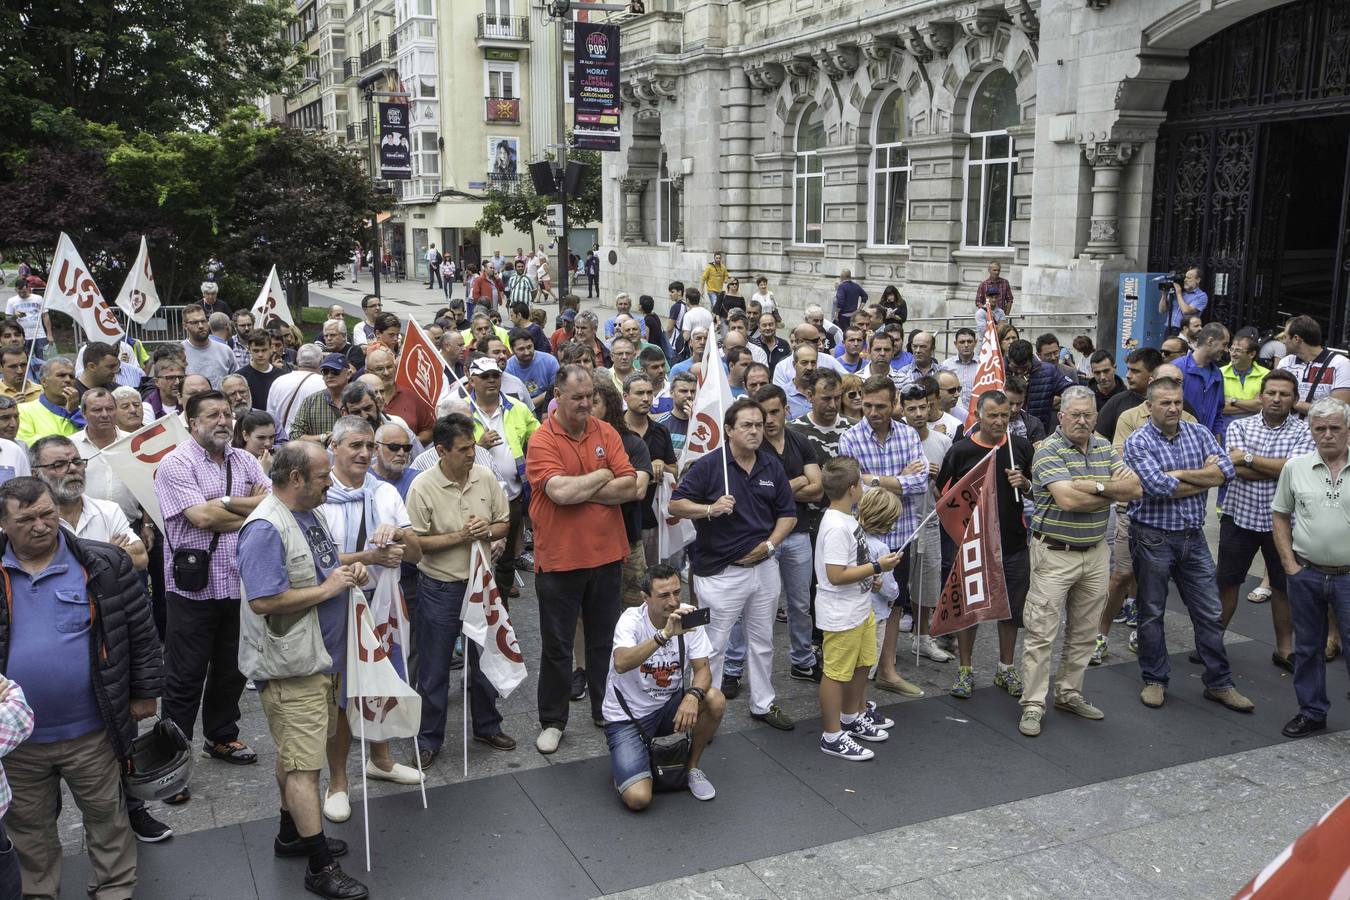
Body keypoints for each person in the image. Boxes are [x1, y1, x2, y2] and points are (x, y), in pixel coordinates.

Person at [0, 476, 162, 898]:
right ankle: (39, 893)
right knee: (29, 830)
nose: (41, 525)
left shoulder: (104, 563)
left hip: (93, 731)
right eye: (26, 519)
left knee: (108, 819)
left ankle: (115, 890)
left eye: (47, 513)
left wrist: (144, 693)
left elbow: (140, 631)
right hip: (16, 743)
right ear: (3, 524)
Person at [235, 441, 371, 900]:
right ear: (295, 478)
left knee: (296, 754)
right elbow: (263, 600)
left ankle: (291, 835)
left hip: (319, 658)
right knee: (304, 768)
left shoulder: (307, 513)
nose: (329, 482)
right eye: (322, 475)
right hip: (293, 667)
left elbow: (325, 568)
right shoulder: (265, 528)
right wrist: (328, 587)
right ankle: (319, 867)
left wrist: (352, 570)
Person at [156, 390, 270, 797]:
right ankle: (171, 760)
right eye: (212, 414)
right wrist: (243, 510)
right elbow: (199, 517)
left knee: (233, 667)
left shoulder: (244, 460)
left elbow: (274, 505)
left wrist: (222, 503)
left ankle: (221, 734)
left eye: (227, 413)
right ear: (192, 423)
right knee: (184, 677)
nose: (223, 420)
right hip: (193, 588)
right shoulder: (175, 464)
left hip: (240, 583)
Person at [1123, 377, 1253, 712]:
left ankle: (1219, 683)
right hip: (1152, 537)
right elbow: (1157, 487)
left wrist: (1180, 474)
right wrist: (1200, 475)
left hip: (1193, 538)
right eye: (1165, 403)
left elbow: (1225, 471)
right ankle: (1155, 679)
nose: (1173, 408)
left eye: (1178, 402)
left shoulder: (1199, 432)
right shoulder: (1137, 442)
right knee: (1152, 613)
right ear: (1149, 406)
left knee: (1210, 612)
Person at [1017, 387, 1141, 737]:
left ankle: (1069, 692)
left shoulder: (1104, 447)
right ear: (1061, 416)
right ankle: (1033, 704)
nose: (1083, 420)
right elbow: (1068, 500)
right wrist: (1107, 490)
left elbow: (1134, 489)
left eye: (1088, 415)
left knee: (1085, 631)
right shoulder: (1046, 452)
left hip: (1095, 553)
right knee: (1042, 633)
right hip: (1054, 553)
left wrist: (1093, 487)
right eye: (1076, 415)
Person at [527, 365, 637, 754]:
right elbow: (558, 492)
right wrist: (602, 475)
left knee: (603, 640)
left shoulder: (606, 431)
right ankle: (553, 721)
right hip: (558, 561)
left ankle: (603, 708)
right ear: (557, 394)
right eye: (577, 397)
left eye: (589, 396)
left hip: (607, 556)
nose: (585, 404)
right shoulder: (542, 440)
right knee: (557, 645)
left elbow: (630, 487)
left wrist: (583, 487)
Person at [669, 398, 797, 730]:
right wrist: (709, 509)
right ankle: (706, 710)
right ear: (728, 430)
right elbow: (677, 504)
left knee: (763, 640)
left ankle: (764, 703)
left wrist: (769, 545)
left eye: (759, 424)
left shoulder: (771, 466)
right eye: (747, 425)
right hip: (720, 572)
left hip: (764, 568)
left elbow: (788, 515)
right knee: (714, 645)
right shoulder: (710, 466)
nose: (755, 431)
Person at [407, 412, 514, 765]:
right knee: (435, 668)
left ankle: (487, 725)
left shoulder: (485, 477)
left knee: (484, 661)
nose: (472, 453)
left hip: (481, 584)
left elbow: (504, 526)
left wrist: (486, 530)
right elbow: (417, 545)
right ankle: (428, 738)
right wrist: (460, 536)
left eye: (472, 446)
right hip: (440, 588)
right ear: (441, 450)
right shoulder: (422, 485)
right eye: (464, 448)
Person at [936, 390, 1034, 700]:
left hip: (1014, 544)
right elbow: (943, 494)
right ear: (978, 415)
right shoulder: (961, 450)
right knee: (970, 610)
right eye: (993, 415)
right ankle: (965, 670)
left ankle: (1006, 667)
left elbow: (1038, 490)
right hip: (973, 546)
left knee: (1012, 612)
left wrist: (1026, 484)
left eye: (1005, 416)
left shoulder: (1020, 447)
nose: (999, 422)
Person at [601, 564, 724, 808]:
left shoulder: (688, 616)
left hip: (668, 707)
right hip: (628, 717)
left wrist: (692, 696)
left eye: (677, 592)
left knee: (714, 699)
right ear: (645, 598)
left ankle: (691, 768)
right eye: (664, 595)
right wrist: (665, 635)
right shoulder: (631, 620)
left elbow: (703, 670)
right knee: (639, 799)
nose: (673, 602)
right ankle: (629, 769)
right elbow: (622, 663)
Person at [838, 375, 929, 696]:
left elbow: (920, 483)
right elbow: (851, 487)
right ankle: (854, 674)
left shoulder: (908, 435)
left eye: (880, 405)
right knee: (859, 602)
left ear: (895, 405)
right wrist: (894, 479)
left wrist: (872, 480)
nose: (873, 411)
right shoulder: (849, 438)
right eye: (867, 404)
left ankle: (887, 670)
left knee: (894, 603)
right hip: (862, 540)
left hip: (901, 536)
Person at [1217, 369, 1312, 672]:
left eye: (1284, 394)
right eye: (1271, 393)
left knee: (1284, 588)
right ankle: (1212, 640)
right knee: (1227, 583)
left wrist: (1246, 458)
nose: (1276, 399)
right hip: (1238, 516)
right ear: (1260, 396)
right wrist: (1274, 468)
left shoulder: (1304, 431)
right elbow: (1230, 468)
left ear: (1295, 400)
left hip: (1283, 523)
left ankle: (1284, 650)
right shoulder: (1239, 425)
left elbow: (1293, 471)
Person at [1272, 397, 1350, 738]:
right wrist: (1289, 564)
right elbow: (1280, 515)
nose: (1328, 435)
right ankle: (1312, 711)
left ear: (1348, 430)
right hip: (1307, 573)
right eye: (1321, 429)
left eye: (1335, 428)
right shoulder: (1296, 467)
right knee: (1307, 649)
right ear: (1311, 431)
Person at [813, 457, 900, 761]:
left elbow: (853, 565)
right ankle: (832, 735)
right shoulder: (836, 526)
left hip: (860, 607)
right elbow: (836, 576)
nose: (864, 487)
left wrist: (871, 576)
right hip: (841, 612)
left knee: (863, 663)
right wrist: (877, 566)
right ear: (852, 489)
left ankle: (852, 716)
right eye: (861, 482)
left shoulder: (848, 519)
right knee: (836, 673)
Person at [465, 356, 538, 594]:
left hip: (511, 495)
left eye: (496, 375)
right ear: (472, 379)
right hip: (473, 496)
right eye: (485, 376)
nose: (492, 380)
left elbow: (538, 438)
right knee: (473, 552)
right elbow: (447, 451)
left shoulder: (518, 408)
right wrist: (478, 445)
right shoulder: (462, 412)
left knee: (506, 555)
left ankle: (503, 601)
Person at [897, 381, 954, 661]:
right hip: (899, 521)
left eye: (923, 407)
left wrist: (936, 480)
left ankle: (923, 638)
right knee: (895, 585)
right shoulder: (897, 439)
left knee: (927, 583)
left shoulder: (942, 441)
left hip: (930, 520)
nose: (918, 413)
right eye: (912, 408)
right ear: (903, 410)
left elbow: (949, 490)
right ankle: (886, 649)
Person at [32, 434, 147, 570]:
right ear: (35, 474)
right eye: (59, 465)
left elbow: (140, 557)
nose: (73, 469)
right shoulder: (30, 521)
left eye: (77, 461)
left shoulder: (108, 511)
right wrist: (111, 551)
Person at [1276, 315, 1350, 417]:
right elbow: (1272, 397)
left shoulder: (1340, 364)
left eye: (1286, 337)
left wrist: (1295, 404)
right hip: (1285, 431)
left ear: (1296, 339)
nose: (1284, 341)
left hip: (1320, 431)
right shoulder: (1286, 362)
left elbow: (1339, 411)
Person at [1005, 339, 1074, 433]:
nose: (1020, 371)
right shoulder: (998, 372)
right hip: (1004, 433)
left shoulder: (1048, 371)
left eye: (1024, 367)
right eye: (1016, 368)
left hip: (1037, 433)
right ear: (1009, 360)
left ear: (1031, 359)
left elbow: (1073, 391)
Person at [1176, 322, 1230, 440]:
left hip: (1205, 446)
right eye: (1224, 344)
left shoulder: (1217, 374)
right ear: (1210, 341)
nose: (1226, 350)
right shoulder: (1178, 368)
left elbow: (1218, 412)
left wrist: (1217, 439)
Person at [16, 357, 82, 446]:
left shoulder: (86, 411)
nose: (68, 380)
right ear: (43, 382)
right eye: (61, 375)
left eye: (72, 376)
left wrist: (75, 413)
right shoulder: (23, 411)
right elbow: (26, 443)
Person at [268, 344, 325, 444]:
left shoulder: (278, 381)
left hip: (281, 443)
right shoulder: (325, 383)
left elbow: (270, 416)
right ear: (321, 362)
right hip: (312, 445)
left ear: (297, 360)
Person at [290, 355, 353, 444]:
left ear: (348, 374)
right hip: (320, 456)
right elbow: (294, 436)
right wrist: (323, 437)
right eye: (325, 372)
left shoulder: (358, 399)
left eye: (335, 371)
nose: (329, 375)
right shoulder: (310, 401)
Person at [180, 305, 237, 390]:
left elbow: (236, 380)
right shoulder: (178, 352)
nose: (201, 326)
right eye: (195, 322)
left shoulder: (225, 351)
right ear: (185, 325)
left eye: (203, 321)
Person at [507, 327, 560, 416]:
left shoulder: (550, 361)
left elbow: (557, 392)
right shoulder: (508, 368)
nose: (527, 352)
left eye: (529, 347)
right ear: (512, 350)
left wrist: (531, 403)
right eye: (521, 349)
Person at [1220, 332, 1269, 426]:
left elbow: (1263, 406)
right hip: (1226, 430)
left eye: (1238, 350)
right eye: (1232, 349)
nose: (1233, 354)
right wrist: (1252, 406)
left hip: (1256, 431)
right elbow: (1219, 408)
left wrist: (1233, 400)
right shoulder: (1220, 373)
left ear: (1252, 354)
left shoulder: (1266, 375)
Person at [5, 277, 52, 358]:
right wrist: (15, 316)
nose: (22, 294)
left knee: (42, 359)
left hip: (39, 334)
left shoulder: (38, 298)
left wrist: (49, 334)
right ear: (16, 290)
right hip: (21, 336)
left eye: (24, 291)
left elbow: (45, 316)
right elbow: (7, 319)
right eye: (19, 292)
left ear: (28, 288)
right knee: (24, 358)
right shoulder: (11, 301)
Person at [1158, 266, 1207, 333]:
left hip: (1185, 331)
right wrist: (1164, 295)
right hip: (1168, 328)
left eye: (1188, 278)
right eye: (1185, 277)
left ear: (1198, 280)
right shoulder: (1177, 292)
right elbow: (1162, 310)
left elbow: (1186, 311)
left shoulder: (1201, 296)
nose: (1185, 280)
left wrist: (1178, 293)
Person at [941, 328, 979, 406]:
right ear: (955, 344)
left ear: (975, 343)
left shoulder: (983, 365)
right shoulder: (946, 366)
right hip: (954, 412)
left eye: (969, 341)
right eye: (962, 342)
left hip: (977, 413)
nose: (966, 345)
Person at [975, 261, 1013, 333]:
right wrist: (986, 312)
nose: (997, 272)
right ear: (989, 270)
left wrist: (1006, 315)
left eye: (998, 270)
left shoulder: (1005, 283)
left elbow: (1010, 300)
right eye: (994, 270)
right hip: (987, 317)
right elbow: (978, 301)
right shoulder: (984, 284)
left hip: (1001, 316)